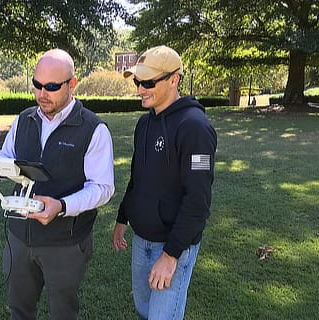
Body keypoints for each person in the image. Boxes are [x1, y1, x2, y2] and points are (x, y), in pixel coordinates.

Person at [0, 48, 115, 320]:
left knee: (63, 314)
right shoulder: (24, 119)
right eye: (37, 85)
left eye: (51, 86)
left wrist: (61, 206)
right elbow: (5, 155)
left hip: (66, 242)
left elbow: (103, 188)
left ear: (72, 84)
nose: (41, 93)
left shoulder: (93, 129)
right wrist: (6, 170)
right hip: (19, 236)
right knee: (19, 310)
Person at [112, 45, 217, 320]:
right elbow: (137, 177)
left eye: (148, 82)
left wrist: (170, 256)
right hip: (141, 240)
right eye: (137, 82)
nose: (140, 89)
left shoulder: (195, 128)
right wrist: (123, 219)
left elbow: (198, 201)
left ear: (174, 79)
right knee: (144, 311)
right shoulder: (144, 125)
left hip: (173, 247)